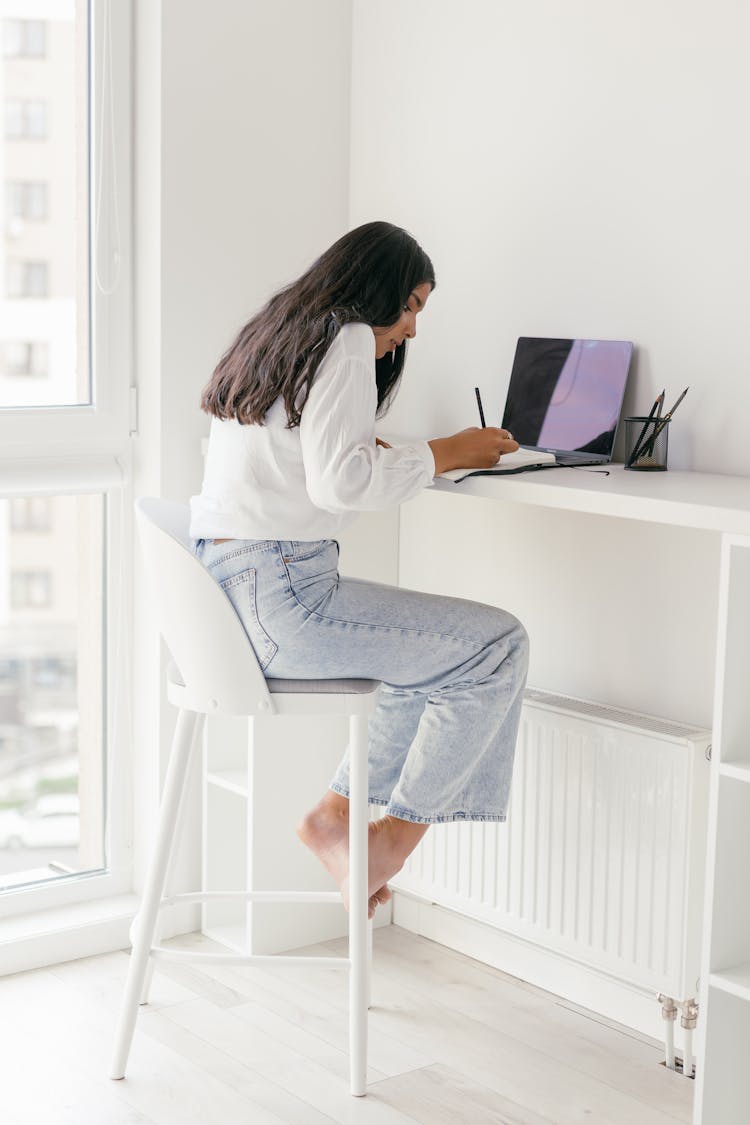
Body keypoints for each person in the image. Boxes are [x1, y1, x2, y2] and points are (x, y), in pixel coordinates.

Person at [190, 221, 529, 917]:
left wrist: (393, 448)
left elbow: (310, 459)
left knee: (427, 657)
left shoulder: (283, 333)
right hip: (286, 597)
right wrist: (447, 450)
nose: (410, 329)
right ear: (375, 291)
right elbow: (340, 486)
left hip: (232, 600)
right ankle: (391, 840)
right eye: (410, 307)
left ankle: (337, 817)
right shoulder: (344, 337)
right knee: (497, 647)